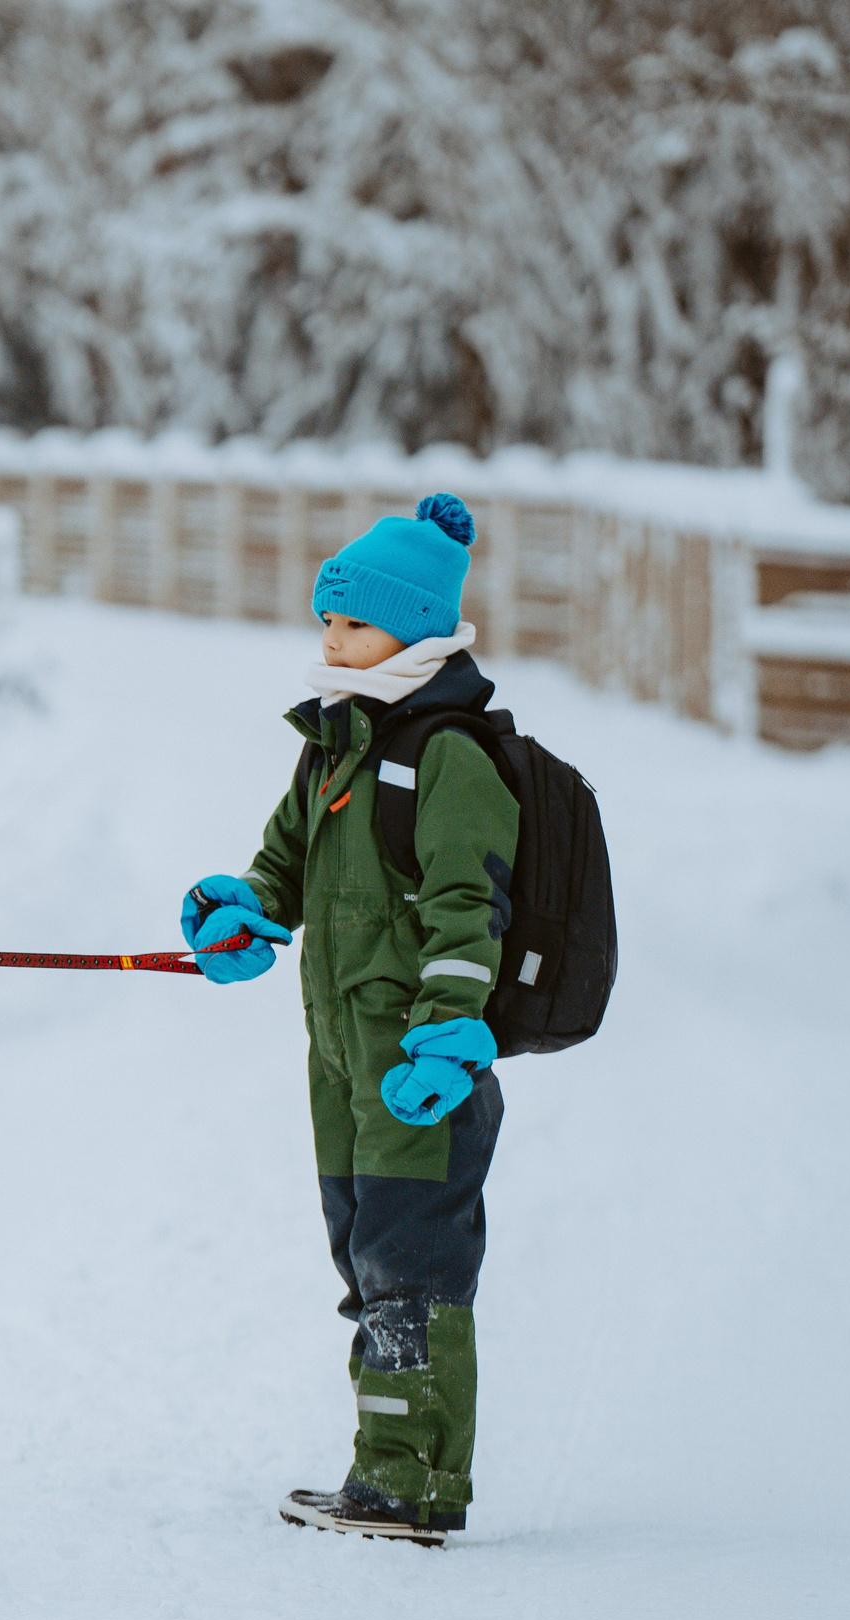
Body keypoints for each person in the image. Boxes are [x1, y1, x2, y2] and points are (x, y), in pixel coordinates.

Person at [179, 493, 516, 1546]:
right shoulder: (335, 740)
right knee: (364, 1258)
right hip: (341, 1057)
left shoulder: (447, 753)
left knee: (411, 1266)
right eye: (325, 620)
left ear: (416, 629)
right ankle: (386, 1469)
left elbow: (471, 903)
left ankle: (410, 1485)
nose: (331, 639)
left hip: (418, 1060)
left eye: (354, 624)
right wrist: (243, 907)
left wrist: (451, 1027)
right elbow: (284, 863)